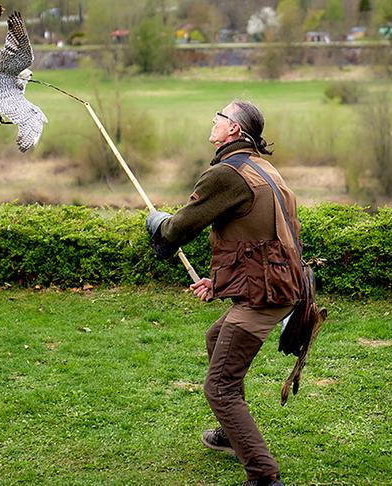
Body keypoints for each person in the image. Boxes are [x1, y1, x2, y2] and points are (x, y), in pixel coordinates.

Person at [146, 100, 305, 486]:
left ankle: (263, 474)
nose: (213, 121)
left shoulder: (227, 174)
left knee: (218, 387)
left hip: (265, 296)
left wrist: (158, 225)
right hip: (282, 286)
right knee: (216, 336)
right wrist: (217, 284)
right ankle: (233, 434)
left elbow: (178, 230)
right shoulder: (261, 168)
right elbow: (259, 241)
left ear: (233, 130)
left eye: (220, 116)